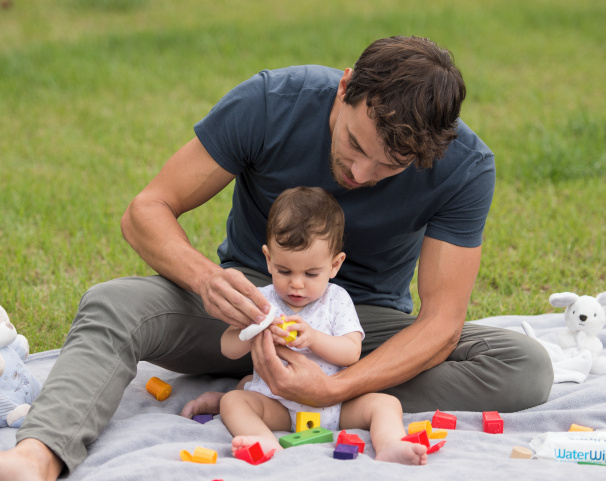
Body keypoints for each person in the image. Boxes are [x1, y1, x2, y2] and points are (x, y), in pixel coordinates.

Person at [0, 35, 553, 480]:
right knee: (114, 302)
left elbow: (442, 322)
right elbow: (146, 210)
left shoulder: (465, 166)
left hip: (353, 331)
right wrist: (204, 279)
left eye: (388, 167)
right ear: (344, 90)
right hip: (241, 308)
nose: (359, 175)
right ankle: (37, 457)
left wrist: (336, 386)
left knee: (524, 367)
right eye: (356, 145)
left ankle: (322, 403)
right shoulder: (271, 103)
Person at [220, 186, 427, 465]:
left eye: (311, 273)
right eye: (284, 271)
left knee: (386, 404)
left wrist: (313, 338)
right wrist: (254, 328)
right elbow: (228, 349)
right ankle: (264, 441)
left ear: (334, 265)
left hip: (334, 405)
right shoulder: (262, 300)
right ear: (268, 259)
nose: (296, 283)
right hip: (277, 403)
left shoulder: (336, 300)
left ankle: (390, 443)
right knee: (233, 402)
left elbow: (351, 352)